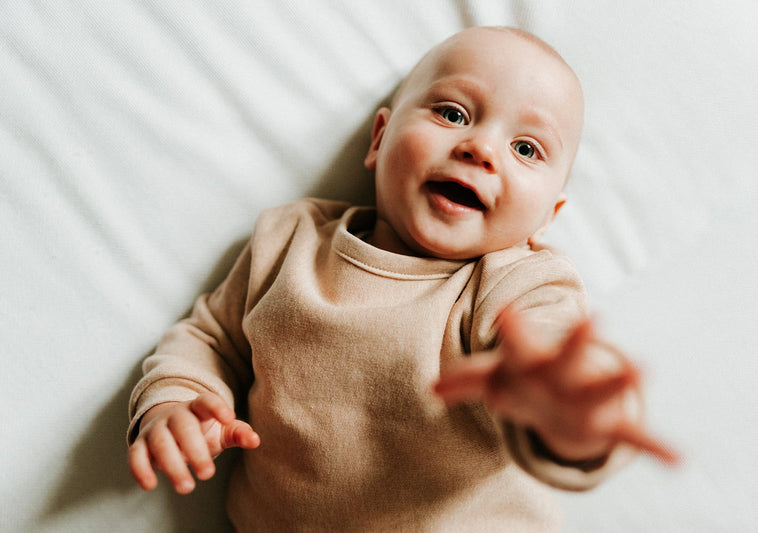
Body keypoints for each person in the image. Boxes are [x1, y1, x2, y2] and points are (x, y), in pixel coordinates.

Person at [127, 26, 677, 531]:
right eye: (453, 114)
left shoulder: (516, 283)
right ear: (379, 139)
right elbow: (210, 340)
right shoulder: (288, 242)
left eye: (526, 149)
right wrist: (177, 400)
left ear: (546, 218)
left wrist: (566, 402)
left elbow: (548, 346)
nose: (480, 149)